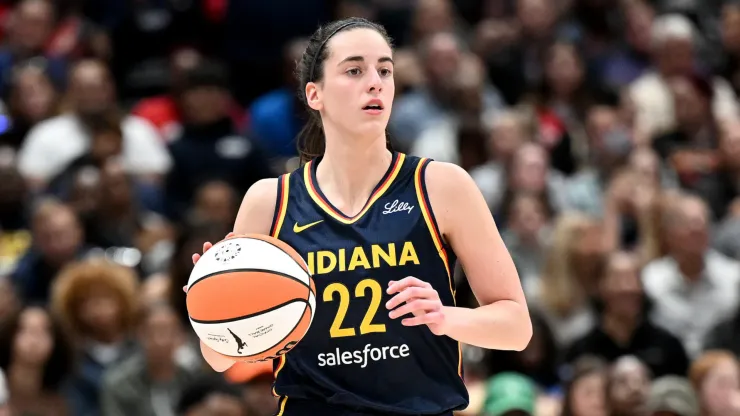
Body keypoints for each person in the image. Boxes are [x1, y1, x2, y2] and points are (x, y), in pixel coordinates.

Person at [185, 17, 532, 416]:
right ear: (315, 94)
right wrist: (213, 298)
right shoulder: (270, 200)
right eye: (354, 70)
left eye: (385, 69)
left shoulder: (442, 185)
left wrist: (446, 317)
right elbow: (219, 357)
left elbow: (517, 327)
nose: (375, 82)